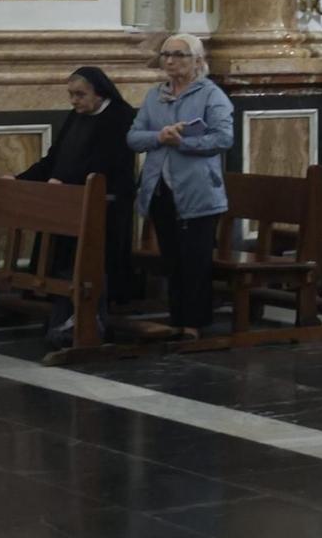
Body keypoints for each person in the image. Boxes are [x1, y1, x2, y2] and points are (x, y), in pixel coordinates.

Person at [17, 67, 141, 342]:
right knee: (62, 261)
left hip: (104, 207)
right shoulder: (76, 116)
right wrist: (20, 179)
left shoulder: (120, 116)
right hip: (67, 202)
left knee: (90, 263)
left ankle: (89, 319)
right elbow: (54, 158)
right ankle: (63, 317)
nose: (74, 101)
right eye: (71, 95)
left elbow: (108, 164)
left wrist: (65, 181)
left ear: (100, 93)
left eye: (80, 95)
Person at [127, 34, 234, 338]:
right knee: (172, 258)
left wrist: (183, 143)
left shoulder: (211, 95)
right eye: (165, 55)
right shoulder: (155, 96)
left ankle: (194, 323)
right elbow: (134, 137)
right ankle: (177, 318)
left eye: (178, 55)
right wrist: (159, 138)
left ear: (197, 61)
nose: (170, 61)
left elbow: (224, 138)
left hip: (199, 189)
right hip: (161, 187)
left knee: (195, 259)